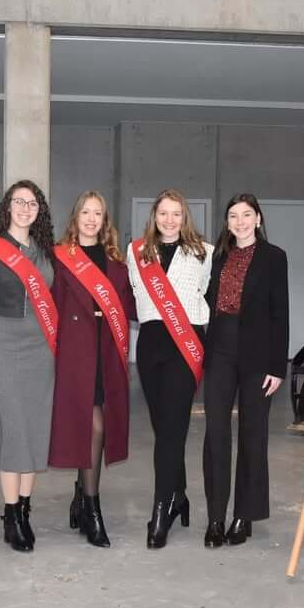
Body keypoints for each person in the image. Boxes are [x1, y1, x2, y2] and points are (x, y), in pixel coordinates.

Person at [0, 180, 56, 552]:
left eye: (31, 203)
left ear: (39, 211)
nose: (24, 208)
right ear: (8, 207)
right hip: (2, 343)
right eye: (18, 202)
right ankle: (10, 514)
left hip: (41, 349)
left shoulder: (48, 252)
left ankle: (25, 512)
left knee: (36, 431)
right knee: (14, 428)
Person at [127, 189, 214, 548]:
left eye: (176, 214)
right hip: (150, 345)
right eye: (163, 213)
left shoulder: (205, 253)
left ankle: (161, 509)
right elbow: (134, 296)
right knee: (164, 427)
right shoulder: (137, 253)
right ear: (154, 216)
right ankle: (179, 495)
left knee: (172, 430)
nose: (169, 220)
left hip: (186, 345)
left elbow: (206, 295)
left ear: (185, 217)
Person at [50, 191, 137, 548]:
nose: (90, 219)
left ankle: (81, 497)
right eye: (85, 212)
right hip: (74, 355)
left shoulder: (117, 264)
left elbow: (131, 305)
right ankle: (91, 507)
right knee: (93, 426)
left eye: (97, 213)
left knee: (98, 425)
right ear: (76, 217)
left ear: (105, 221)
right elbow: (50, 307)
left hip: (105, 354)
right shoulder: (60, 258)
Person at [201, 193, 289, 548]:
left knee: (254, 435)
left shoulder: (274, 257)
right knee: (216, 433)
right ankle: (216, 517)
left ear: (258, 219)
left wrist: (277, 366)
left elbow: (280, 313)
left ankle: (244, 515)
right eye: (233, 216)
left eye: (246, 215)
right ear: (227, 222)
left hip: (257, 356)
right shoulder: (218, 258)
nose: (239, 221)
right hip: (220, 350)